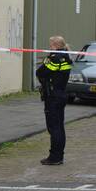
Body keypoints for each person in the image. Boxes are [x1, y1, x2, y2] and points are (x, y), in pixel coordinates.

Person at [36, 36, 73, 166]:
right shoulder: (66, 57)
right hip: (61, 94)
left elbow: (40, 71)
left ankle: (54, 157)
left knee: (54, 127)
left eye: (51, 45)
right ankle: (58, 155)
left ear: (56, 46)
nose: (49, 47)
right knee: (59, 127)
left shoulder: (54, 58)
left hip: (53, 96)